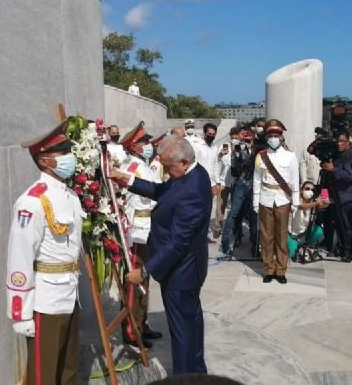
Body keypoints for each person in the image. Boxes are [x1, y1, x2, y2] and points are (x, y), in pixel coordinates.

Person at [111, 136, 212, 375]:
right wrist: (128, 180)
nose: (165, 171)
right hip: (183, 269)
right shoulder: (190, 174)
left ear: (184, 162)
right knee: (190, 325)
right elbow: (162, 191)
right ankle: (196, 372)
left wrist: (145, 270)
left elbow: (178, 242)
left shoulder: (193, 192)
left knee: (183, 331)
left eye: (168, 166)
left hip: (182, 271)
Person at [7, 119, 84, 385]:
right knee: (43, 375)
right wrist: (21, 313)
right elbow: (19, 258)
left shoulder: (70, 196)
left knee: (69, 369)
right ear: (45, 161)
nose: (69, 158)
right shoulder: (32, 201)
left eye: (68, 151)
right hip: (45, 301)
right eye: (62, 153)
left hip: (70, 294)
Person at [118, 122, 163, 348]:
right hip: (137, 232)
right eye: (144, 142)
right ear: (134, 146)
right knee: (136, 281)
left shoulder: (142, 166)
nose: (148, 145)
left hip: (147, 229)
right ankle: (132, 331)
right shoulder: (132, 168)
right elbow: (127, 203)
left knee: (145, 279)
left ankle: (141, 324)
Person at [253, 119, 300, 284]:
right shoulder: (261, 156)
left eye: (276, 135)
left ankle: (281, 270)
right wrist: (255, 201)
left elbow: (295, 180)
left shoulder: (290, 156)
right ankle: (268, 269)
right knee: (267, 237)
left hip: (283, 199)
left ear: (281, 137)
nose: (273, 138)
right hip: (266, 198)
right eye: (270, 135)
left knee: (281, 236)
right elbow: (257, 180)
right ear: (266, 137)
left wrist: (295, 202)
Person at [220, 128, 259, 257]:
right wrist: (238, 153)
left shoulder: (257, 151)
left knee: (254, 215)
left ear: (253, 140)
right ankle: (226, 240)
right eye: (244, 140)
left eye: (249, 140)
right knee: (234, 213)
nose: (247, 143)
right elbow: (234, 171)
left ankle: (255, 242)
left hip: (255, 185)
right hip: (241, 184)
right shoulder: (237, 151)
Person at [320, 131, 352, 262]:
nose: (339, 144)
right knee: (339, 225)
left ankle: (349, 252)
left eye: (342, 141)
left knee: (348, 226)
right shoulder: (337, 154)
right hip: (335, 195)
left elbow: (349, 175)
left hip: (347, 196)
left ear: (348, 142)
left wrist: (332, 169)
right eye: (337, 141)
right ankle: (341, 248)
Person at [287, 181, 329, 258]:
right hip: (292, 234)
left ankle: (306, 246)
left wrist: (326, 202)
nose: (309, 191)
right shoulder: (296, 200)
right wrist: (315, 203)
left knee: (319, 231)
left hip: (304, 234)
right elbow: (301, 206)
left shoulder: (313, 201)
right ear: (302, 190)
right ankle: (294, 246)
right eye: (307, 189)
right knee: (292, 254)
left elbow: (321, 206)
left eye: (312, 190)